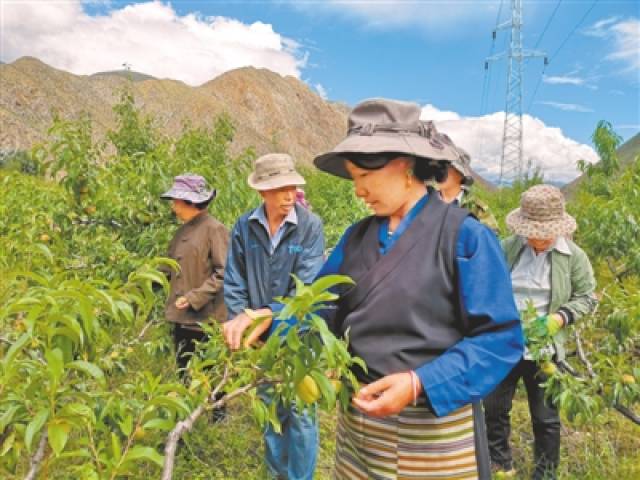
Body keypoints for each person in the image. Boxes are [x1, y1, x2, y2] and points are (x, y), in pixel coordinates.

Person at [224, 99, 524, 479]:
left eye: (364, 176)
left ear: (404, 164)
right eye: (354, 178)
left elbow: (500, 338)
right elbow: (323, 308)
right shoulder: (357, 238)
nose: (358, 191)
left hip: (431, 433)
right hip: (361, 427)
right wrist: (272, 320)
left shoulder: (466, 237)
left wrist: (420, 382)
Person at [484, 184, 597, 479]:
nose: (540, 238)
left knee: (546, 418)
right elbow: (486, 286)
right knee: (494, 409)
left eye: (546, 231)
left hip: (544, 350)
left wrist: (559, 319)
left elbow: (587, 297)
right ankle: (500, 464)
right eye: (533, 231)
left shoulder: (573, 257)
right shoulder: (507, 248)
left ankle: (545, 473)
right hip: (505, 343)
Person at [223, 153, 325, 480]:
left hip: (298, 336)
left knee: (301, 412)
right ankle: (276, 473)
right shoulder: (244, 226)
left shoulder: (310, 227)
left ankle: (299, 477)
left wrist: (269, 316)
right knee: (270, 406)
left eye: (292, 187)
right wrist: (243, 321)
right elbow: (235, 278)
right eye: (279, 188)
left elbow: (307, 290)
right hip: (260, 340)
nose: (288, 195)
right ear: (261, 192)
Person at [160, 174, 229, 419]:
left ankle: (217, 421)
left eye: (177, 201)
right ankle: (187, 419)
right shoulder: (182, 232)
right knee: (184, 369)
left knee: (210, 372)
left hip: (206, 317)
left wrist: (194, 297)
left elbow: (224, 273)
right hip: (182, 316)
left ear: (190, 202)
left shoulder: (214, 229)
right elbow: (169, 268)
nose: (173, 206)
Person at [436, 144, 499, 231]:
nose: (440, 172)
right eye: (439, 167)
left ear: (460, 174)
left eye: (446, 168)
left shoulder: (476, 207)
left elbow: (491, 236)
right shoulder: (427, 201)